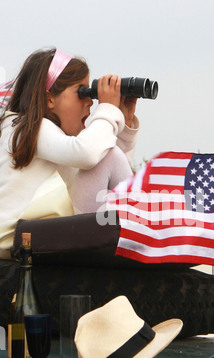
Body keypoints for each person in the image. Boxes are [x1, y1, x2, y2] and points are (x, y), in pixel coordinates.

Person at [0, 48, 139, 258]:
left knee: (106, 156)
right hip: (21, 238)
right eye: (81, 92)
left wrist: (124, 123)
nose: (90, 102)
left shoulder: (38, 135)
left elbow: (105, 176)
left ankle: (141, 227)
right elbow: (88, 154)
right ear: (49, 100)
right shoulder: (29, 127)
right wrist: (109, 109)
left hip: (29, 235)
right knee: (106, 155)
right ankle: (145, 227)